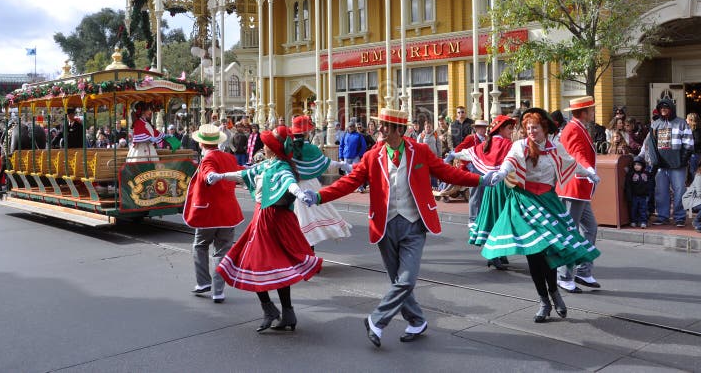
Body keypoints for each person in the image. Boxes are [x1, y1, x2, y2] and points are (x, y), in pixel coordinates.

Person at [309, 107, 490, 347]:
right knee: (398, 281)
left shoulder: (421, 151)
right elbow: (348, 183)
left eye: (384, 125)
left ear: (398, 129)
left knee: (406, 280)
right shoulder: (373, 156)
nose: (379, 129)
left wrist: (480, 179)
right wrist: (319, 197)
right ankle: (417, 320)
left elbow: (448, 173)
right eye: (379, 124)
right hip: (385, 225)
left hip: (414, 224)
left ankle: (377, 320)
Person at [481, 108, 600, 322]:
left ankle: (554, 292)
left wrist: (589, 173)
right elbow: (510, 161)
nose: (530, 131)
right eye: (527, 128)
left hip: (547, 202)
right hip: (524, 201)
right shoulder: (521, 146)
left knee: (548, 251)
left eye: (534, 127)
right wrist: (501, 173)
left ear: (544, 128)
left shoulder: (556, 148)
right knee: (533, 254)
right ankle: (544, 301)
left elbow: (572, 164)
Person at [209, 128, 322, 332]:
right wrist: (219, 176)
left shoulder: (281, 167)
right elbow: (243, 174)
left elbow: (289, 182)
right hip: (261, 219)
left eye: (267, 144)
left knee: (265, 265)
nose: (263, 146)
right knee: (261, 265)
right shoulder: (266, 165)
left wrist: (299, 193)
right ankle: (278, 311)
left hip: (274, 220)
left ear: (273, 149)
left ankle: (281, 312)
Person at [182, 124, 244, 304]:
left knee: (200, 246)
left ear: (201, 144)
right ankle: (218, 291)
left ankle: (203, 282)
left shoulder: (207, 160)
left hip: (208, 213)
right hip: (228, 213)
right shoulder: (229, 158)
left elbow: (209, 173)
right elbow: (240, 170)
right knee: (222, 252)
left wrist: (211, 177)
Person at [556, 96, 602, 294]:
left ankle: (584, 270)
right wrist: (589, 169)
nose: (593, 112)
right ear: (584, 112)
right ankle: (564, 275)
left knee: (590, 227)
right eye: (591, 109)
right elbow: (577, 154)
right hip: (574, 187)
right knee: (570, 231)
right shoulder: (573, 129)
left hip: (580, 189)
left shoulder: (578, 127)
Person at [459, 114, 516, 269]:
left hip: (492, 184)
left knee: (496, 218)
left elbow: (467, 153)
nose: (511, 131)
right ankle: (495, 254)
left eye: (484, 127)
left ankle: (498, 252)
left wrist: (454, 155)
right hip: (500, 186)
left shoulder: (488, 142)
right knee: (500, 218)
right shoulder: (504, 143)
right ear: (501, 129)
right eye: (509, 128)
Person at [288, 115, 352, 246]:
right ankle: (309, 248)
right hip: (310, 185)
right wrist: (342, 165)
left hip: (293, 186)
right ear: (306, 132)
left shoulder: (289, 148)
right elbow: (326, 162)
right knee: (318, 212)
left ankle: (299, 249)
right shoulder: (311, 149)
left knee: (297, 218)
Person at [637, 98, 694, 227]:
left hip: (677, 165)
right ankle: (663, 216)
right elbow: (648, 144)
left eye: (666, 107)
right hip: (660, 166)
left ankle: (679, 217)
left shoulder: (682, 123)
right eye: (661, 108)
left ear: (671, 108)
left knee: (679, 191)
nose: (663, 110)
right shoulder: (655, 124)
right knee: (661, 192)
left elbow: (689, 144)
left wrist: (682, 160)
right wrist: (641, 157)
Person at [624, 157, 652, 229]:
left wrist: (649, 194)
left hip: (643, 196)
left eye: (639, 165)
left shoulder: (646, 174)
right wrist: (629, 195)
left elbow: (649, 184)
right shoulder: (631, 174)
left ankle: (643, 222)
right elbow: (628, 186)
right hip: (634, 196)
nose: (636, 166)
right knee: (634, 209)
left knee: (643, 209)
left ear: (642, 166)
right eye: (635, 164)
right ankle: (634, 221)